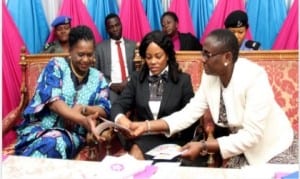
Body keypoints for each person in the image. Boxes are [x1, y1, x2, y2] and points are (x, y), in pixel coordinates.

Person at [128, 29, 296, 167]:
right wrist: (146, 126)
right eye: (203, 53)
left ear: (227, 58)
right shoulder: (210, 77)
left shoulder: (254, 77)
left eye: (208, 55)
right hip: (242, 149)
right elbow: (189, 113)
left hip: (273, 149)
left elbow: (252, 135)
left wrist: (204, 146)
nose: (202, 59)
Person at [14, 25, 111, 159]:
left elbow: (104, 108)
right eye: (81, 54)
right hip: (41, 127)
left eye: (89, 54)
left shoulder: (99, 77)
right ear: (70, 51)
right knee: (49, 141)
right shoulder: (56, 66)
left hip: (72, 135)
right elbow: (53, 101)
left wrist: (84, 109)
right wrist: (82, 120)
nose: (86, 60)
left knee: (55, 142)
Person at [111, 30, 198, 160]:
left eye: (158, 56)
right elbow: (118, 105)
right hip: (144, 138)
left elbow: (191, 117)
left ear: (167, 55)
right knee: (136, 154)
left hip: (173, 139)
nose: (153, 61)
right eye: (148, 57)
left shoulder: (182, 80)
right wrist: (122, 120)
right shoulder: (137, 79)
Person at [95, 13, 136, 104]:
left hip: (131, 85)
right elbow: (96, 72)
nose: (115, 29)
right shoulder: (100, 48)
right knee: (113, 108)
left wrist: (128, 81)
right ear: (107, 29)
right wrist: (111, 84)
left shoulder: (133, 46)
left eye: (117, 25)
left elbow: (138, 69)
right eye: (111, 27)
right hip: (111, 88)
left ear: (121, 25)